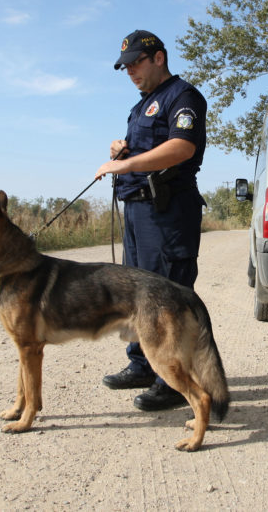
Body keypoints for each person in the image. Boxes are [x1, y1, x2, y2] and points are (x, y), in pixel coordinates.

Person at [94, 29, 208, 412]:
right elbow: (146, 147)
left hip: (168, 211)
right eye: (125, 67)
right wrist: (121, 148)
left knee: (165, 295)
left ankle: (172, 381)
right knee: (136, 294)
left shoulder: (183, 96)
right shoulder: (142, 104)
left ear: (159, 57)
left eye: (136, 63)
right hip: (137, 209)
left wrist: (124, 163)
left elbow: (182, 146)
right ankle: (143, 364)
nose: (130, 72)